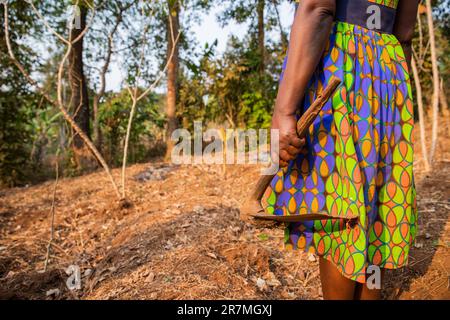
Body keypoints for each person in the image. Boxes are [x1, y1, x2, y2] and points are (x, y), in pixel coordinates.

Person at [262, 0, 420, 300]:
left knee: (342, 207)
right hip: (389, 68)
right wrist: (391, 91)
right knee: (376, 206)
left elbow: (317, 8)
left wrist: (285, 110)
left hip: (345, 65)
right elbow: (404, 31)